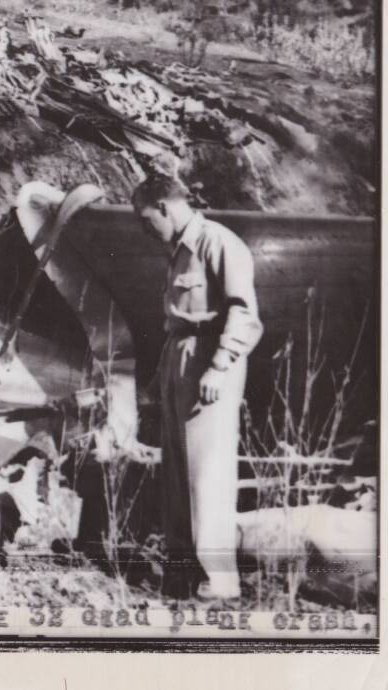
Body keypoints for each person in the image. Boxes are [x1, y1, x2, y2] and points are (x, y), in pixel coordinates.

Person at [131, 174, 263, 601]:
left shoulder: (217, 242)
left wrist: (219, 367)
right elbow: (178, 321)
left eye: (147, 218)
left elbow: (243, 313)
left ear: (165, 207)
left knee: (207, 472)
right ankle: (182, 574)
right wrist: (158, 380)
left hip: (209, 359)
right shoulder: (178, 250)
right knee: (177, 471)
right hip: (180, 357)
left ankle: (218, 578)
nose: (145, 228)